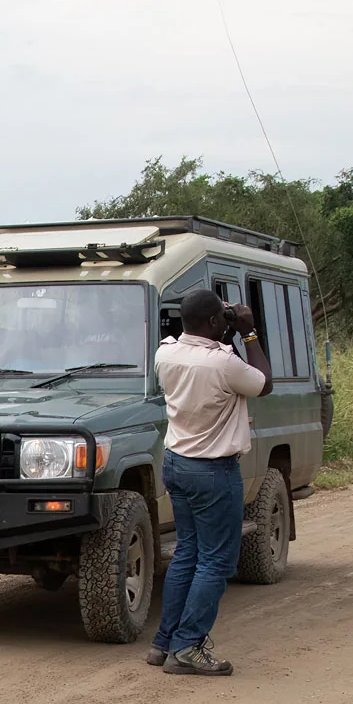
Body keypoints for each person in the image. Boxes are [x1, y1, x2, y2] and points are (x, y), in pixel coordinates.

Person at [147, 288, 272, 676]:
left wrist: (225, 330)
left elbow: (213, 356)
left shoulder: (165, 352)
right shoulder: (224, 363)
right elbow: (263, 383)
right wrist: (249, 332)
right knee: (217, 560)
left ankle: (164, 642)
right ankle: (188, 646)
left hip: (176, 462)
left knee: (188, 553)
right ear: (216, 323)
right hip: (213, 471)